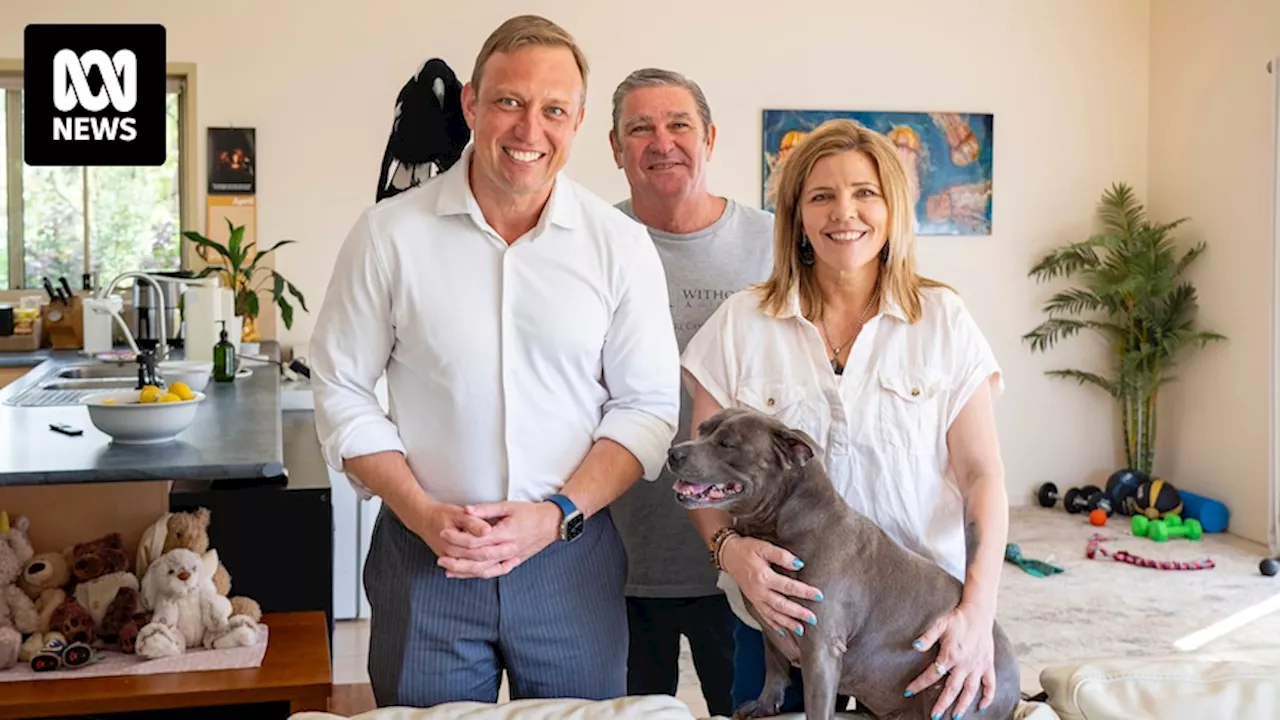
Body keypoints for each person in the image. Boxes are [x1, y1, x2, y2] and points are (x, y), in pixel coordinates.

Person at [308, 15, 681, 708]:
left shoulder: (620, 247)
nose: (528, 129)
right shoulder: (389, 235)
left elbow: (647, 408)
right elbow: (340, 391)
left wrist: (557, 513)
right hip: (426, 562)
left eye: (554, 110)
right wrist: (420, 511)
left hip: (571, 559)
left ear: (576, 123)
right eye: (510, 101)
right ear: (472, 103)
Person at [679, 118, 1010, 719]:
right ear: (797, 215)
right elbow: (704, 480)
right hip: (778, 627)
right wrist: (729, 554)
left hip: (913, 636)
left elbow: (983, 476)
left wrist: (979, 611)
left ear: (892, 208)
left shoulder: (943, 322)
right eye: (821, 196)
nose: (844, 213)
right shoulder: (739, 325)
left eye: (865, 193)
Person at [605, 68, 774, 717]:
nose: (661, 141)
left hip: (742, 558)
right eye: (639, 128)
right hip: (615, 556)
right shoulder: (586, 242)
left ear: (709, 136)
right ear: (616, 148)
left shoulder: (774, 245)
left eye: (678, 124)